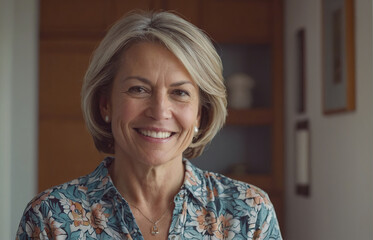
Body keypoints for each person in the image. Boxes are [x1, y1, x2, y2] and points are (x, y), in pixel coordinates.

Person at [16, 11, 283, 240]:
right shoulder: (49, 218)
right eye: (138, 89)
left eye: (179, 93)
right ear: (105, 104)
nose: (159, 111)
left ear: (200, 113)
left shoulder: (249, 214)